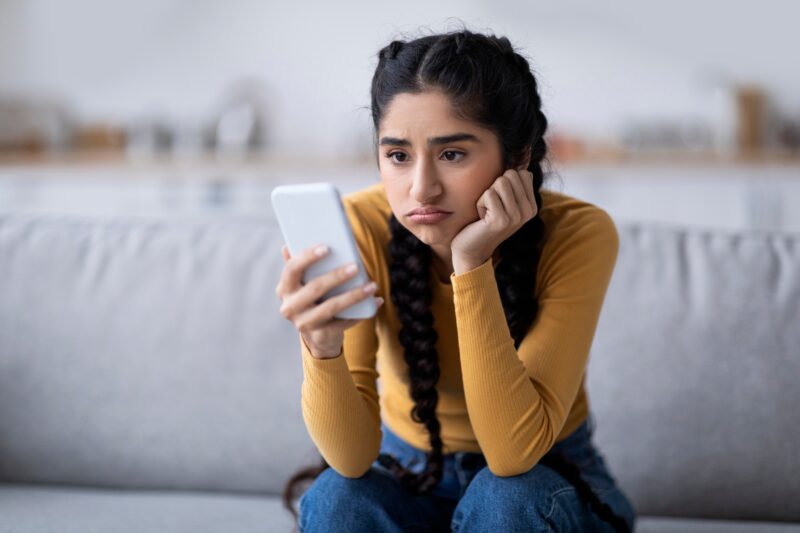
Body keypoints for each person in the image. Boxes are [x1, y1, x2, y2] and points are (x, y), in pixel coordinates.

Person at [275, 27, 637, 532]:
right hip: (409, 473)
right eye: (398, 156)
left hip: (542, 481)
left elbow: (513, 455)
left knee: (505, 498)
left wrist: (472, 263)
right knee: (338, 497)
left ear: (517, 158)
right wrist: (322, 348)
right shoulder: (361, 225)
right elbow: (352, 461)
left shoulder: (579, 234)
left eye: (452, 154)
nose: (420, 188)